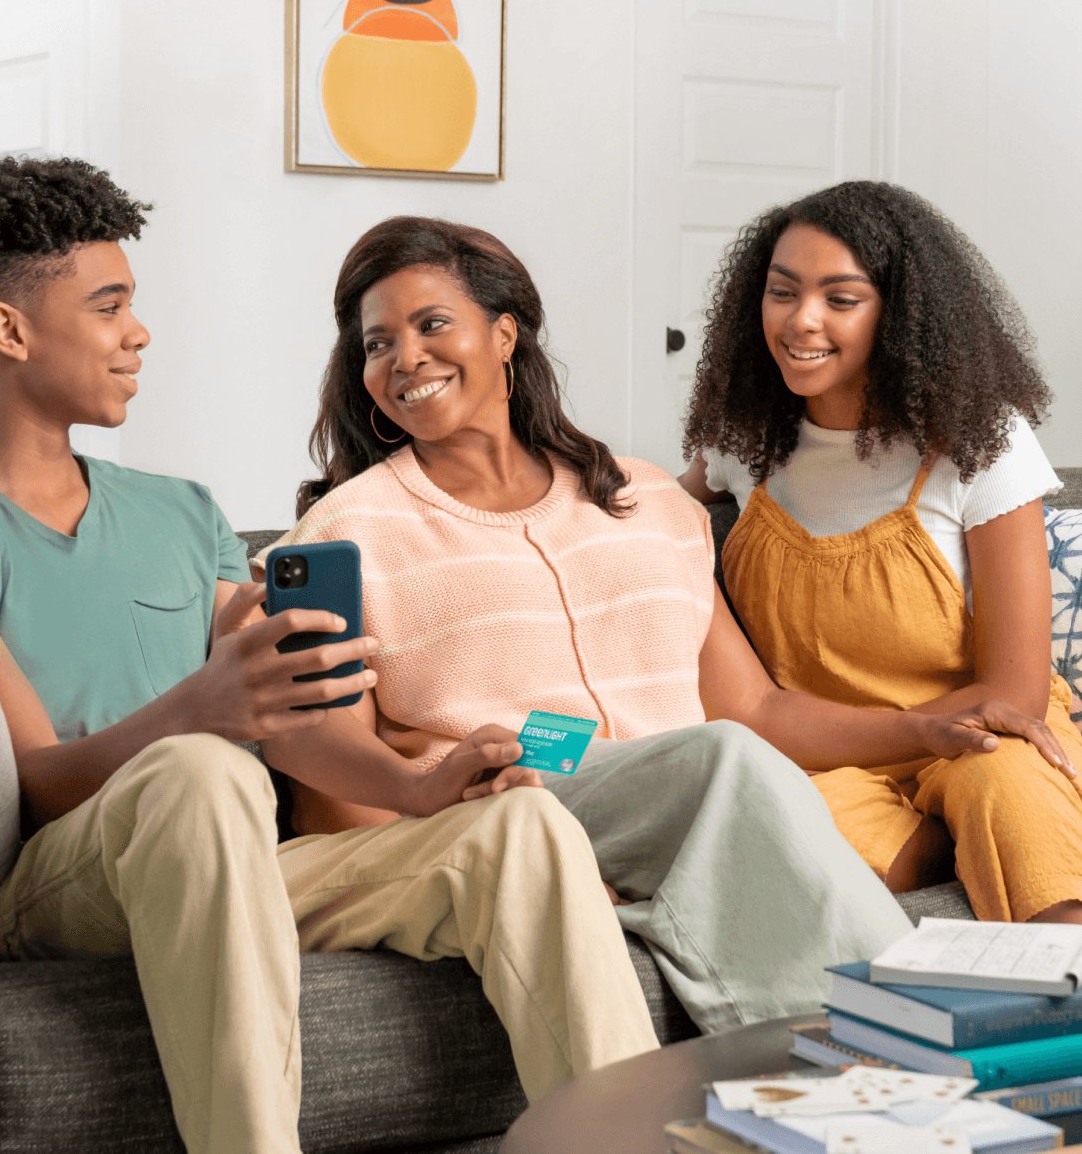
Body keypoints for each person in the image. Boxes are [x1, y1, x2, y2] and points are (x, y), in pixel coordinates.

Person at [0, 159, 662, 1154]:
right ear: (9, 331)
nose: (139, 333)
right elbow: (38, 783)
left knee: (521, 829)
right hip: (64, 881)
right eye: (109, 306)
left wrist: (418, 784)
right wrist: (199, 708)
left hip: (235, 861)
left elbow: (288, 720)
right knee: (201, 772)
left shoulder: (181, 512)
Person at [247, 214, 989, 1037]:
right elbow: (330, 801)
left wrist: (922, 728)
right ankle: (912, 1041)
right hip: (500, 810)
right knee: (720, 760)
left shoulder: (648, 501)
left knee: (728, 759)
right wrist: (498, 878)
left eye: (431, 324)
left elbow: (754, 711)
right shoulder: (343, 535)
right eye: (377, 344)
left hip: (684, 804)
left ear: (504, 335)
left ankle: (873, 1054)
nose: (404, 358)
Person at [679, 179, 1082, 924]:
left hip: (986, 736)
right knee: (774, 829)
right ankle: (947, 845)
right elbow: (642, 523)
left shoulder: (980, 443)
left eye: (841, 299)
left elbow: (1013, 694)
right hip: (830, 757)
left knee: (1008, 789)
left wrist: (940, 744)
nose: (800, 320)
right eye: (781, 292)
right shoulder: (742, 442)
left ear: (901, 318)